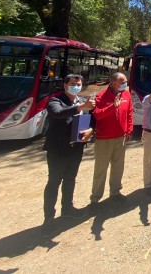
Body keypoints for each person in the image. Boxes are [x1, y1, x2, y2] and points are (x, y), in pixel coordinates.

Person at [42, 74, 95, 232]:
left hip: (76, 147)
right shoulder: (55, 101)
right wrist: (80, 107)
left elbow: (92, 119)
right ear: (65, 85)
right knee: (54, 182)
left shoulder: (82, 101)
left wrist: (91, 130)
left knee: (70, 179)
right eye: (73, 84)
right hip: (58, 149)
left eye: (79, 84)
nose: (76, 86)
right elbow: (58, 113)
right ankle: (49, 218)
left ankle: (67, 208)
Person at [90, 72, 133, 208]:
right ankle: (95, 199)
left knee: (118, 167)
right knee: (101, 169)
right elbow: (97, 115)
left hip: (121, 137)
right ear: (114, 83)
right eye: (123, 82)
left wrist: (129, 130)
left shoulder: (126, 94)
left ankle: (115, 192)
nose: (125, 84)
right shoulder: (101, 96)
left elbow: (129, 113)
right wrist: (112, 107)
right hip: (104, 139)